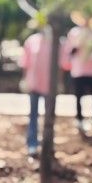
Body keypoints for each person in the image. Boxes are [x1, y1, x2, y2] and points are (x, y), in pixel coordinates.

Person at [20, 21, 65, 157]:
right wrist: (24, 80)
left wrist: (60, 82)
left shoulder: (59, 42)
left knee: (49, 116)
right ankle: (32, 144)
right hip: (34, 84)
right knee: (33, 115)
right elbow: (25, 63)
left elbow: (61, 65)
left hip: (50, 86)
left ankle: (48, 144)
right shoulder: (31, 41)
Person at [65, 11, 92, 133]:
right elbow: (70, 51)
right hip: (79, 70)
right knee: (79, 96)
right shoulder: (75, 32)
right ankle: (80, 120)